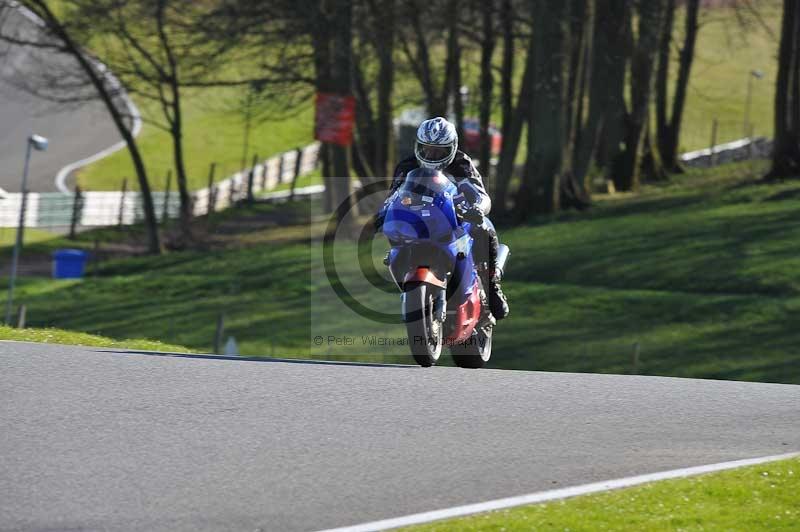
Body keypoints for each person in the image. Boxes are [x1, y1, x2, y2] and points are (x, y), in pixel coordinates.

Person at [376, 117, 509, 320]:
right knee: (393, 232)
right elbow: (393, 195)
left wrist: (478, 208)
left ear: (452, 148)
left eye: (440, 151)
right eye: (426, 149)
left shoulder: (462, 163)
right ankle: (408, 281)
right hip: (418, 218)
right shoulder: (407, 165)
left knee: (485, 227)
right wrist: (382, 213)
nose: (432, 155)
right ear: (417, 146)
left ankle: (492, 286)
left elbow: (481, 194)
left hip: (454, 215)